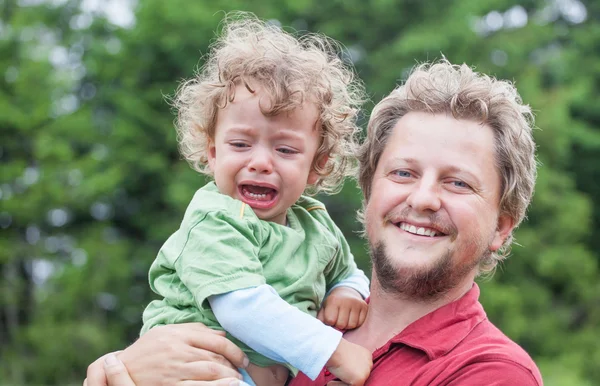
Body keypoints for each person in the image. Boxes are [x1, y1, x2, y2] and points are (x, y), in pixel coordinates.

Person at [85, 59, 543, 386]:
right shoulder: (306, 312)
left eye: (458, 184)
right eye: (402, 173)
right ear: (369, 193)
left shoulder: (489, 371)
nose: (421, 199)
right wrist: (121, 372)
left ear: (503, 226)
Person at [131, 14, 373, 386]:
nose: (260, 162)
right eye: (240, 144)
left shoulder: (315, 225)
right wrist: (334, 351)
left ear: (317, 166)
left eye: (286, 149)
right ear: (213, 153)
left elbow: (348, 270)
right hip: (194, 367)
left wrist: (348, 290)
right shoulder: (214, 219)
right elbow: (241, 308)